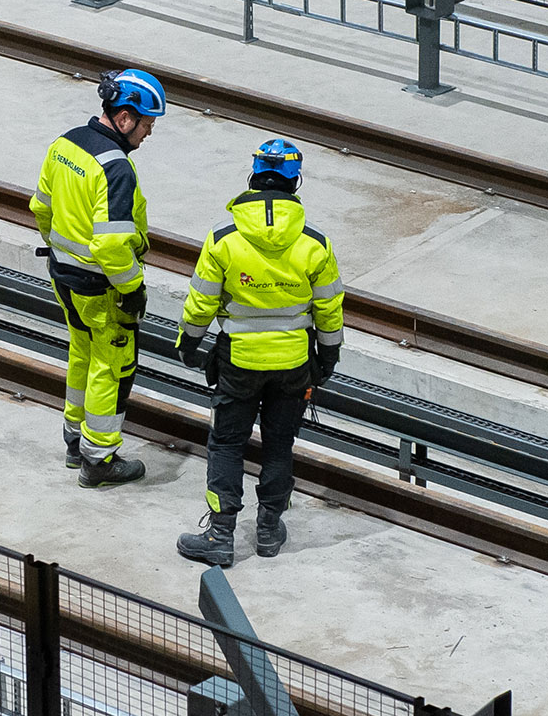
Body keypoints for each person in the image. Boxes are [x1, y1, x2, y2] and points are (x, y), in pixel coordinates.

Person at [173, 139, 346, 566]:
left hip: (238, 361)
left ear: (252, 177)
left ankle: (220, 535)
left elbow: (201, 302)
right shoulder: (315, 244)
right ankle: (268, 530)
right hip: (293, 364)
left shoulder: (223, 239)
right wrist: (328, 358)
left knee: (228, 443)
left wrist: (189, 343)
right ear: (295, 183)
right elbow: (329, 308)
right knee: (279, 444)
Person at [31, 68, 166, 487]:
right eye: (146, 125)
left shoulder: (64, 144)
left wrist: (61, 250)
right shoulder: (116, 169)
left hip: (63, 276)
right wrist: (132, 287)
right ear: (125, 119)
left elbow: (40, 207)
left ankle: (74, 440)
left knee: (81, 353)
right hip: (102, 287)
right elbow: (111, 246)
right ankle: (99, 458)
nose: (148, 134)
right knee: (112, 366)